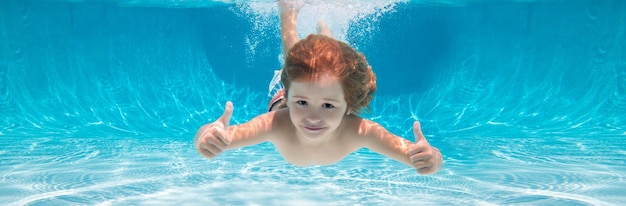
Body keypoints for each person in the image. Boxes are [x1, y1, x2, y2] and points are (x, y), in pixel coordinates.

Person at [194, 0, 443, 175]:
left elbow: (421, 154)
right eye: (301, 103)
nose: (313, 117)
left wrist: (430, 158)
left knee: (327, 64)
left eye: (328, 105)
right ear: (290, 98)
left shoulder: (361, 131)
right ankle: (288, 12)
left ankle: (318, 27)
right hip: (282, 99)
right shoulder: (276, 124)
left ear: (348, 106)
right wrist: (207, 137)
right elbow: (224, 136)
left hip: (300, 90)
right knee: (295, 61)